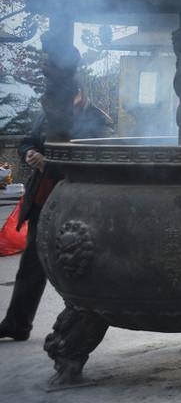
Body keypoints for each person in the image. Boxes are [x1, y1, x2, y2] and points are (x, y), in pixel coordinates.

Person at [0, 87, 112, 341]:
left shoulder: (97, 120)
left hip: (76, 203)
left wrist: (50, 165)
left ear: (79, 93)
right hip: (43, 198)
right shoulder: (49, 112)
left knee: (78, 266)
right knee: (31, 264)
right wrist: (28, 153)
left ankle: (82, 326)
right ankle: (17, 322)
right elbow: (28, 140)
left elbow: (93, 161)